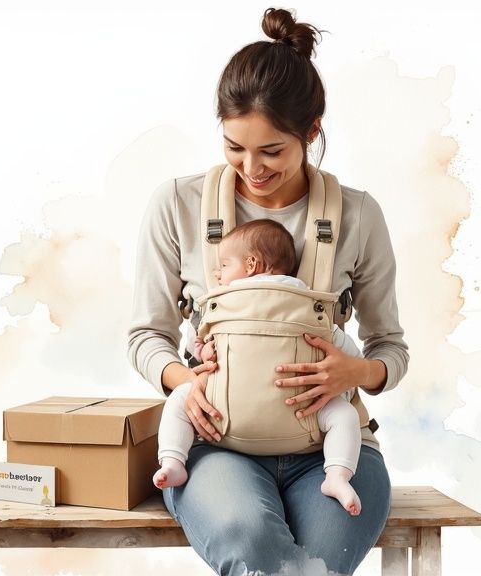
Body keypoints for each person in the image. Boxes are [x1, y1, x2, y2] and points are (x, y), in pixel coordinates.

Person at [127, 7, 409, 575]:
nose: (250, 168)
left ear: (312, 129)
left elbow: (391, 349)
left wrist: (355, 374)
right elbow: (145, 336)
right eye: (234, 147)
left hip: (330, 451)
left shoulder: (356, 216)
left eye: (272, 151)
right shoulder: (177, 206)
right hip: (216, 447)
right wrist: (189, 382)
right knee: (248, 538)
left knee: (318, 559)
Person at [152, 219, 366, 516]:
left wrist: (203, 350)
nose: (218, 274)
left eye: (224, 266)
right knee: (345, 416)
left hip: (223, 415)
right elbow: (342, 348)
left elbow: (195, 343)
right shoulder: (306, 300)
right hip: (303, 413)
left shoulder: (223, 301)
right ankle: (338, 476)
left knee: (179, 399)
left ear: (251, 264)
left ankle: (173, 462)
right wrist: (351, 370)